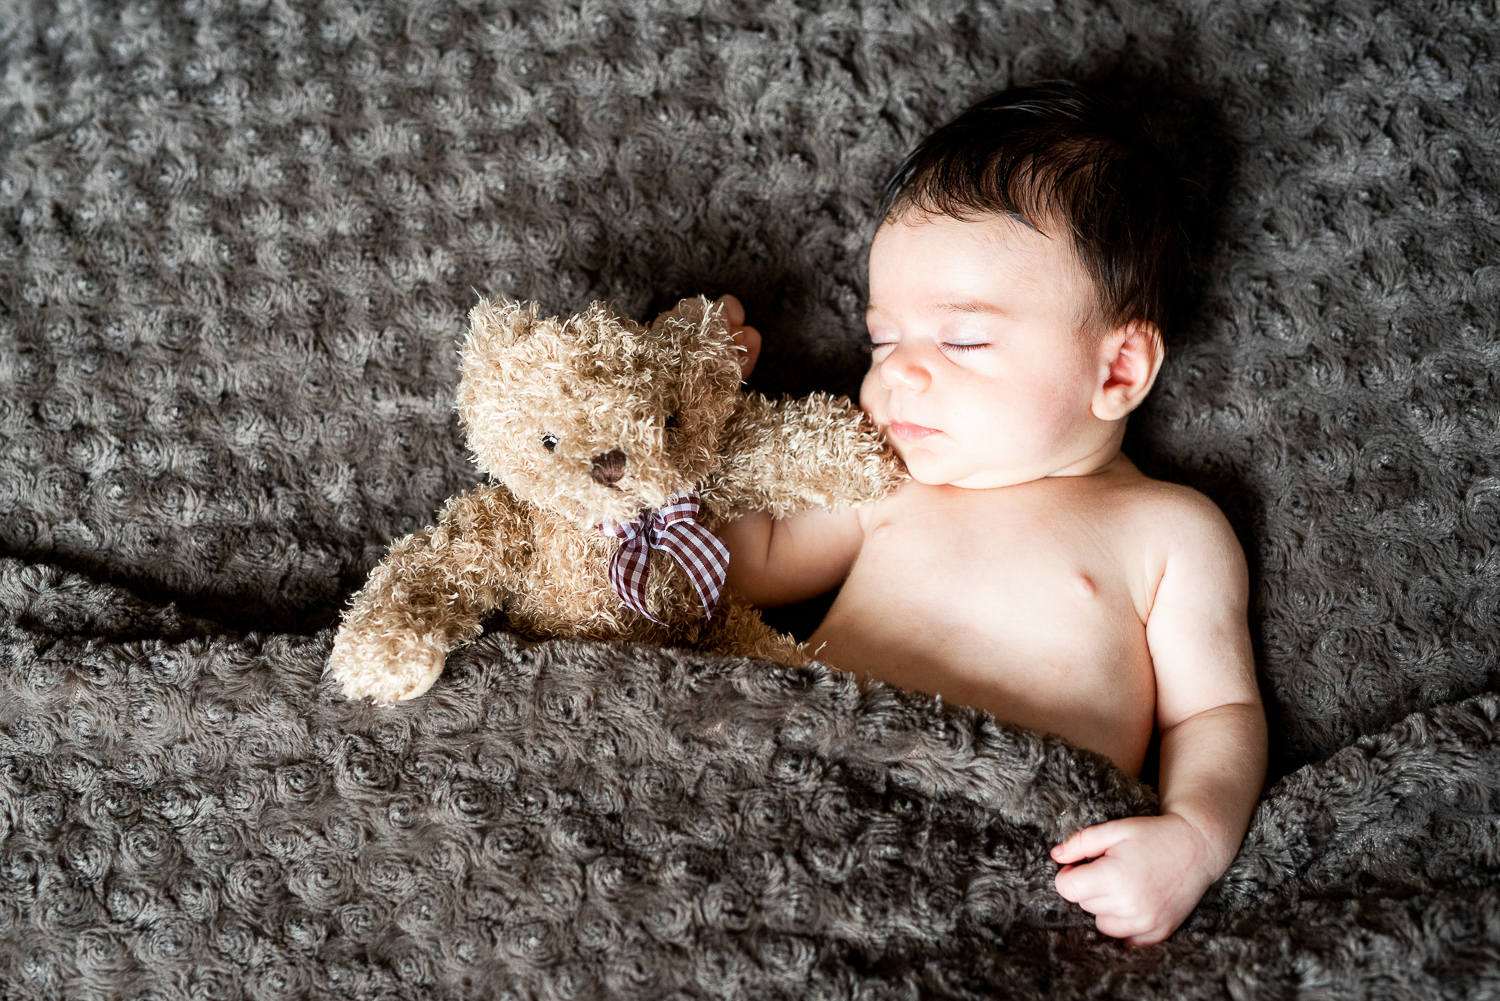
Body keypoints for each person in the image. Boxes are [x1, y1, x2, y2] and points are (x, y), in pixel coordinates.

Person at [708, 81, 1267, 946]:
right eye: (883, 338)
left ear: (1117, 370)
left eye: (961, 339)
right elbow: (752, 563)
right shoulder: (885, 479)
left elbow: (1214, 715)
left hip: (995, 865)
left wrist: (1192, 838)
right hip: (797, 797)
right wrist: (672, 448)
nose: (900, 373)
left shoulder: (1168, 532)